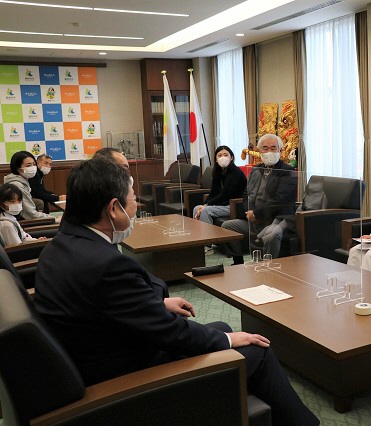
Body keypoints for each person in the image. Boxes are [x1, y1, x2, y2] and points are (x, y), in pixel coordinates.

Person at [33, 157, 318, 425]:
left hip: (103, 352)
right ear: (113, 209)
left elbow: (108, 306)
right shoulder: (106, 266)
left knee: (221, 328)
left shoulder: (59, 247)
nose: (134, 207)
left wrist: (159, 304)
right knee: (256, 348)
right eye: (132, 200)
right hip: (127, 379)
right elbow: (172, 334)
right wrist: (228, 340)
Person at [221, 134, 296, 264]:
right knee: (227, 226)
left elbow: (280, 200)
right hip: (254, 220)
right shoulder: (256, 169)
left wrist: (256, 213)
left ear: (280, 150)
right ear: (259, 151)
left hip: (276, 219)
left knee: (272, 235)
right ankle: (238, 262)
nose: (269, 152)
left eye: (273, 148)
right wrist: (249, 212)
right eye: (265, 148)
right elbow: (246, 194)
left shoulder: (287, 171)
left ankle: (267, 267)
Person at [193, 145, 247, 224]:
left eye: (226, 155)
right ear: (216, 159)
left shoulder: (235, 172)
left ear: (231, 157)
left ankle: (209, 236)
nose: (223, 157)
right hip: (223, 204)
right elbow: (213, 192)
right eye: (220, 155)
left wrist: (207, 205)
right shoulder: (218, 172)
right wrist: (205, 204)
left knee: (205, 211)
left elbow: (226, 194)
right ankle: (199, 234)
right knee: (196, 208)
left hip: (234, 205)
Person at [4, 151, 56, 220]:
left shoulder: (24, 181)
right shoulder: (18, 185)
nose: (33, 168)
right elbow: (31, 215)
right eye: (28, 165)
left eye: (34, 164)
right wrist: (54, 218)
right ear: (18, 168)